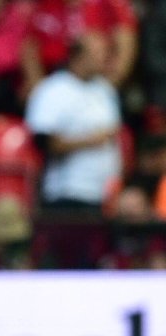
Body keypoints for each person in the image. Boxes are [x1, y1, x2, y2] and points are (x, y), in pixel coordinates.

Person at [25, 33, 122, 214]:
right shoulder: (52, 90)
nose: (104, 58)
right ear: (79, 56)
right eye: (99, 52)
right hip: (68, 194)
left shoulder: (105, 89)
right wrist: (90, 140)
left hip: (106, 193)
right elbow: (43, 143)